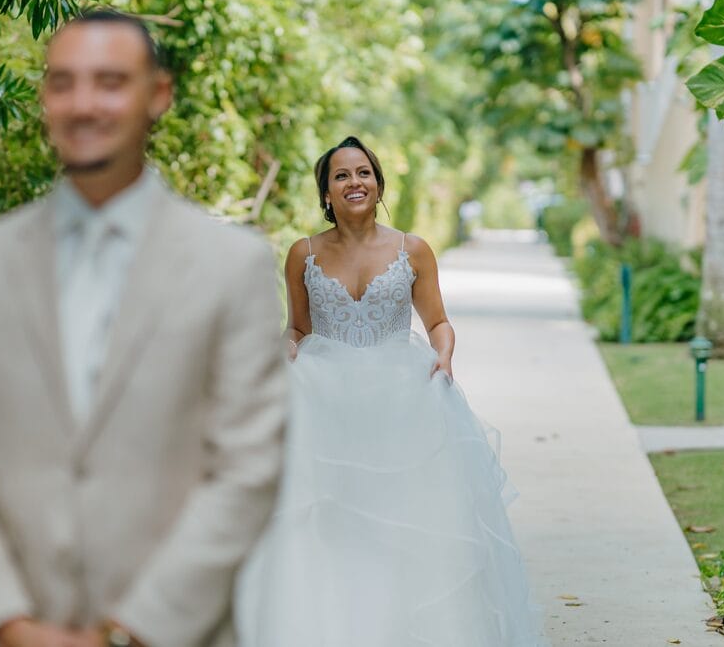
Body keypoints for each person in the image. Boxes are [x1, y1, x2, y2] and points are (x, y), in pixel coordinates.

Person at [0, 10, 288, 647]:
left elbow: (248, 468)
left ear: (158, 96)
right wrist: (8, 623)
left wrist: (125, 633)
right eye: (63, 82)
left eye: (110, 81)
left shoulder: (233, 265)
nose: (84, 104)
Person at [234, 136, 545, 646]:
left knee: (403, 526)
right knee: (331, 526)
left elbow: (438, 322)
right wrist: (285, 348)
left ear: (378, 185)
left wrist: (443, 355)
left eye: (363, 173)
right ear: (326, 193)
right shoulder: (302, 254)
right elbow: (298, 328)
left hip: (401, 402)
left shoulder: (413, 250)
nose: (354, 182)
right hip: (324, 405)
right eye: (341, 175)